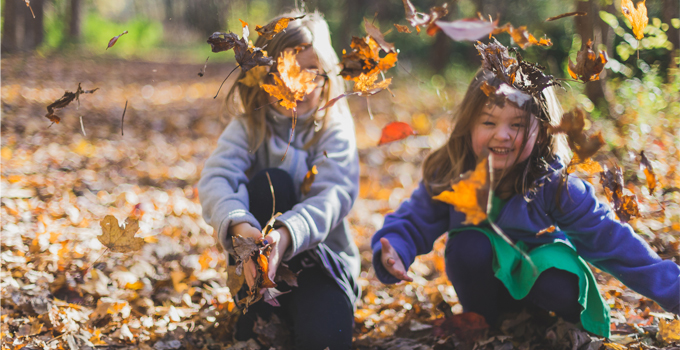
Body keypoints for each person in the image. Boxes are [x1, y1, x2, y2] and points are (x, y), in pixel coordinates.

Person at [371, 66, 680, 338]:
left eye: (517, 125)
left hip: (544, 283)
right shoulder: (453, 173)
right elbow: (414, 219)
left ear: (543, 132)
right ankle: (486, 322)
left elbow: (612, 242)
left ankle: (554, 324)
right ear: (469, 125)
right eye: (489, 123)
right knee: (468, 246)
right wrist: (397, 248)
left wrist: (674, 291)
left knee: (555, 276)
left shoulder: (556, 185)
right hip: (486, 286)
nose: (502, 135)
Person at [199, 11, 359, 349]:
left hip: (321, 264)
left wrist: (287, 235)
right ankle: (257, 307)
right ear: (262, 75)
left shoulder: (333, 129)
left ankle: (309, 312)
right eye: (283, 70)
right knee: (272, 182)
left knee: (327, 341)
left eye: (309, 70)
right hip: (255, 267)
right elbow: (217, 178)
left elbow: (334, 195)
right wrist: (240, 227)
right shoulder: (249, 127)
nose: (295, 83)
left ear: (326, 73)